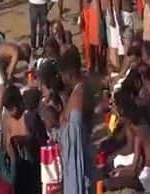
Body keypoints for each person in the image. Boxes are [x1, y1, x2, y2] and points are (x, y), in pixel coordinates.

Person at [56, 47, 95, 194]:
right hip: (83, 151)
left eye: (63, 75)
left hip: (78, 159)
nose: (62, 79)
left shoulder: (79, 95)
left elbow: (75, 130)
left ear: (69, 74)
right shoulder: (83, 88)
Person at [0, 40, 32, 118]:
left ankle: (3, 108)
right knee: (2, 88)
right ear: (23, 53)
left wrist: (21, 80)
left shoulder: (10, 50)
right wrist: (21, 81)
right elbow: (10, 75)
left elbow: (7, 74)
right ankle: (0, 116)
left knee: (4, 83)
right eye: (24, 58)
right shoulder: (16, 52)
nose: (21, 60)